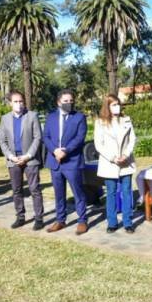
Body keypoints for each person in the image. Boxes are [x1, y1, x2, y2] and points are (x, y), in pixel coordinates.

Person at [43, 89, 88, 235]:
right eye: (65, 101)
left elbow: (80, 138)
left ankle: (82, 220)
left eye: (71, 101)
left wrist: (65, 151)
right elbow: (46, 137)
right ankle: (60, 220)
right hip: (55, 162)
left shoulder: (79, 117)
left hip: (72, 162)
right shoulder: (51, 117)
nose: (69, 103)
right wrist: (55, 151)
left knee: (78, 192)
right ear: (58, 102)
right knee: (59, 193)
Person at [0, 90, 44, 230]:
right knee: (16, 190)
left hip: (29, 159)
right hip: (13, 160)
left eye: (21, 101)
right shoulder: (5, 119)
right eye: (16, 102)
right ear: (10, 103)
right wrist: (11, 156)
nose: (19, 104)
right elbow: (2, 141)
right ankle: (20, 216)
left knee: (34, 189)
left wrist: (28, 155)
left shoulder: (32, 116)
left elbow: (38, 137)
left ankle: (39, 218)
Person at [94, 94, 137, 234]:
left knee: (126, 191)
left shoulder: (126, 120)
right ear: (107, 106)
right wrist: (113, 158)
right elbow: (98, 144)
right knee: (111, 192)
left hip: (126, 162)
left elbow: (132, 139)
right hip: (109, 163)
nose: (117, 106)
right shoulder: (100, 122)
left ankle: (128, 222)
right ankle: (112, 222)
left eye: (118, 104)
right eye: (113, 104)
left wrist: (126, 154)